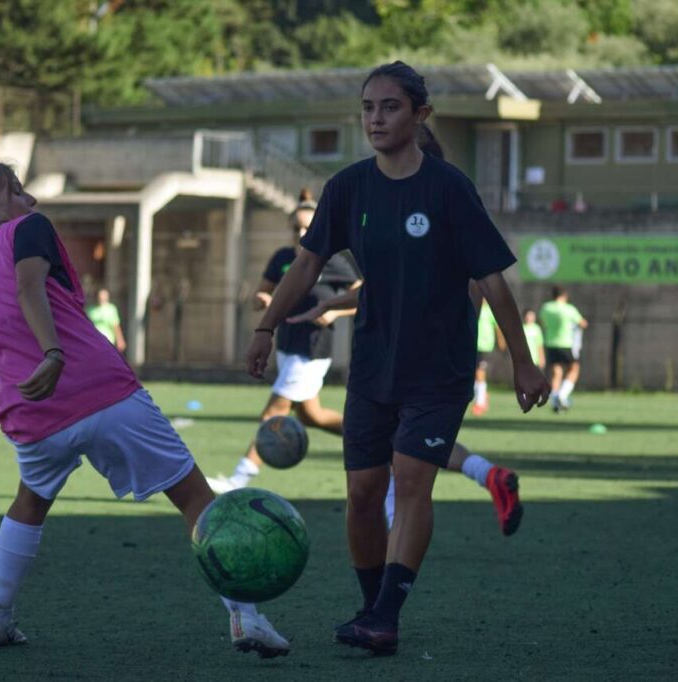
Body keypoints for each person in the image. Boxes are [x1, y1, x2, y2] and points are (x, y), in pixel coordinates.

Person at [0, 161, 290, 658]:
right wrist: (54, 353)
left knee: (30, 504)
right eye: (15, 191)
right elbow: (28, 287)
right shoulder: (26, 229)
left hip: (31, 416)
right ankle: (246, 616)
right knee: (194, 498)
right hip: (99, 391)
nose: (29, 200)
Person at [244, 61, 550, 656]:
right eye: (367, 108)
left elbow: (492, 280)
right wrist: (266, 325)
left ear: (420, 116)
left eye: (389, 107)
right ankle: (371, 609)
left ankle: (386, 612)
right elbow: (306, 265)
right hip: (373, 366)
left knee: (411, 484)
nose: (376, 119)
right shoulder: (347, 188)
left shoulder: (448, 187)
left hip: (440, 370)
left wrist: (524, 360)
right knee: (362, 492)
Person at [289, 286, 524, 537]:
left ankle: (396, 529)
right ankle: (487, 474)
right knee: (412, 440)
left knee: (400, 444)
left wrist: (331, 305)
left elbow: (383, 287)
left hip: (409, 352)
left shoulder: (424, 251)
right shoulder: (463, 256)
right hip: (445, 354)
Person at [208, 190, 361, 493]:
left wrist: (335, 311)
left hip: (313, 348)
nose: (301, 233)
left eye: (307, 227)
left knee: (274, 412)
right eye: (296, 228)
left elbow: (364, 292)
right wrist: (262, 299)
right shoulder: (282, 257)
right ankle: (375, 438)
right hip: (287, 346)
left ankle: (238, 480)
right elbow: (261, 293)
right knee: (311, 415)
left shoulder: (332, 261)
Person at [539, 285, 588, 412]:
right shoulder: (569, 309)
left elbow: (542, 322)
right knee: (574, 369)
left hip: (550, 343)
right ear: (564, 296)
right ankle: (562, 395)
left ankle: (555, 402)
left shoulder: (546, 307)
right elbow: (582, 323)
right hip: (565, 343)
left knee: (557, 372)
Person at [471, 283, 505, 416]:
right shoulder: (472, 307)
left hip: (485, 345)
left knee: (480, 372)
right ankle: (482, 395)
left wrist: (501, 342)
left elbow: (497, 328)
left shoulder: (489, 310)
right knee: (474, 373)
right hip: (473, 344)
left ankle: (480, 403)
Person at [86, 287, 126, 352]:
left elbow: (115, 325)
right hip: (93, 340)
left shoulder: (111, 309)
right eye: (100, 296)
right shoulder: (90, 310)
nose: (102, 298)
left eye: (104, 296)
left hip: (107, 340)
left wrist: (120, 340)